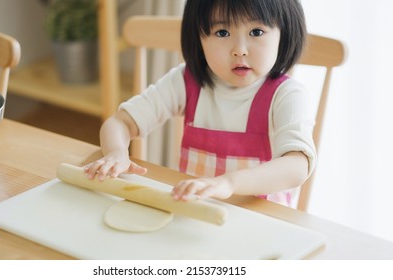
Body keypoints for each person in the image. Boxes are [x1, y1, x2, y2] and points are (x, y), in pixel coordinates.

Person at [85, 0, 316, 208]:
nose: (239, 50)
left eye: (256, 31)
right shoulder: (187, 82)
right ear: (199, 39)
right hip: (195, 212)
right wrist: (116, 153)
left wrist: (228, 183)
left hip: (261, 223)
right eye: (222, 32)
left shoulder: (287, 95)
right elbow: (120, 122)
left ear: (283, 34)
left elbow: (296, 166)